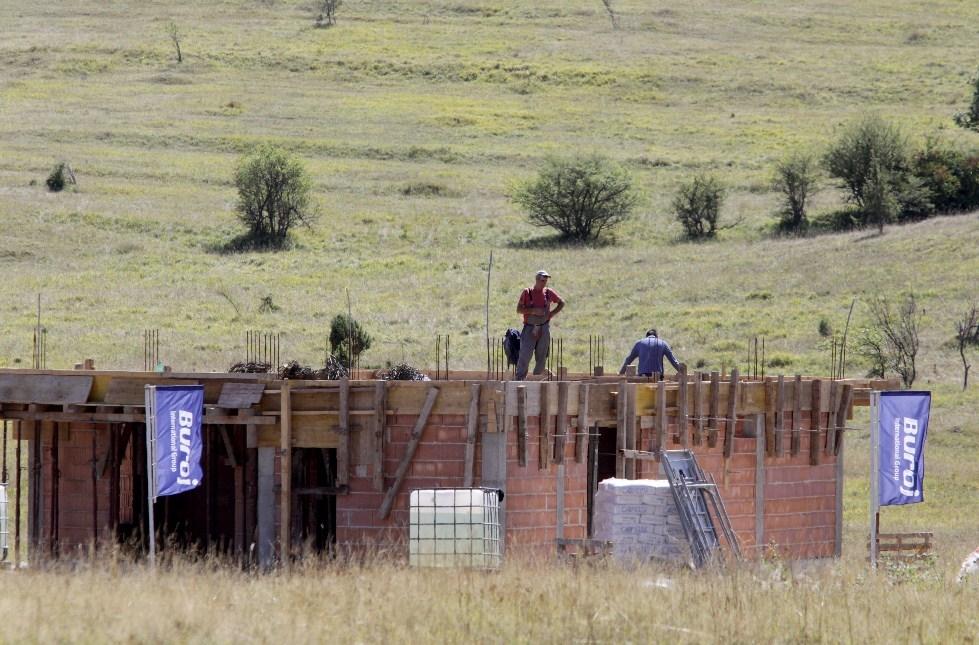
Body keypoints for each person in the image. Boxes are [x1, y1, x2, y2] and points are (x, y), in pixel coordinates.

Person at [515, 270, 565, 380]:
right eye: (542, 280)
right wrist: (533, 311)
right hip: (529, 327)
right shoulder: (527, 292)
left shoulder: (548, 293)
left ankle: (537, 378)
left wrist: (551, 314)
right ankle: (519, 378)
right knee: (525, 354)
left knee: (542, 354)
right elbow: (519, 309)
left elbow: (562, 303)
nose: (544, 283)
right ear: (537, 279)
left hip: (544, 327)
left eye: (546, 280)